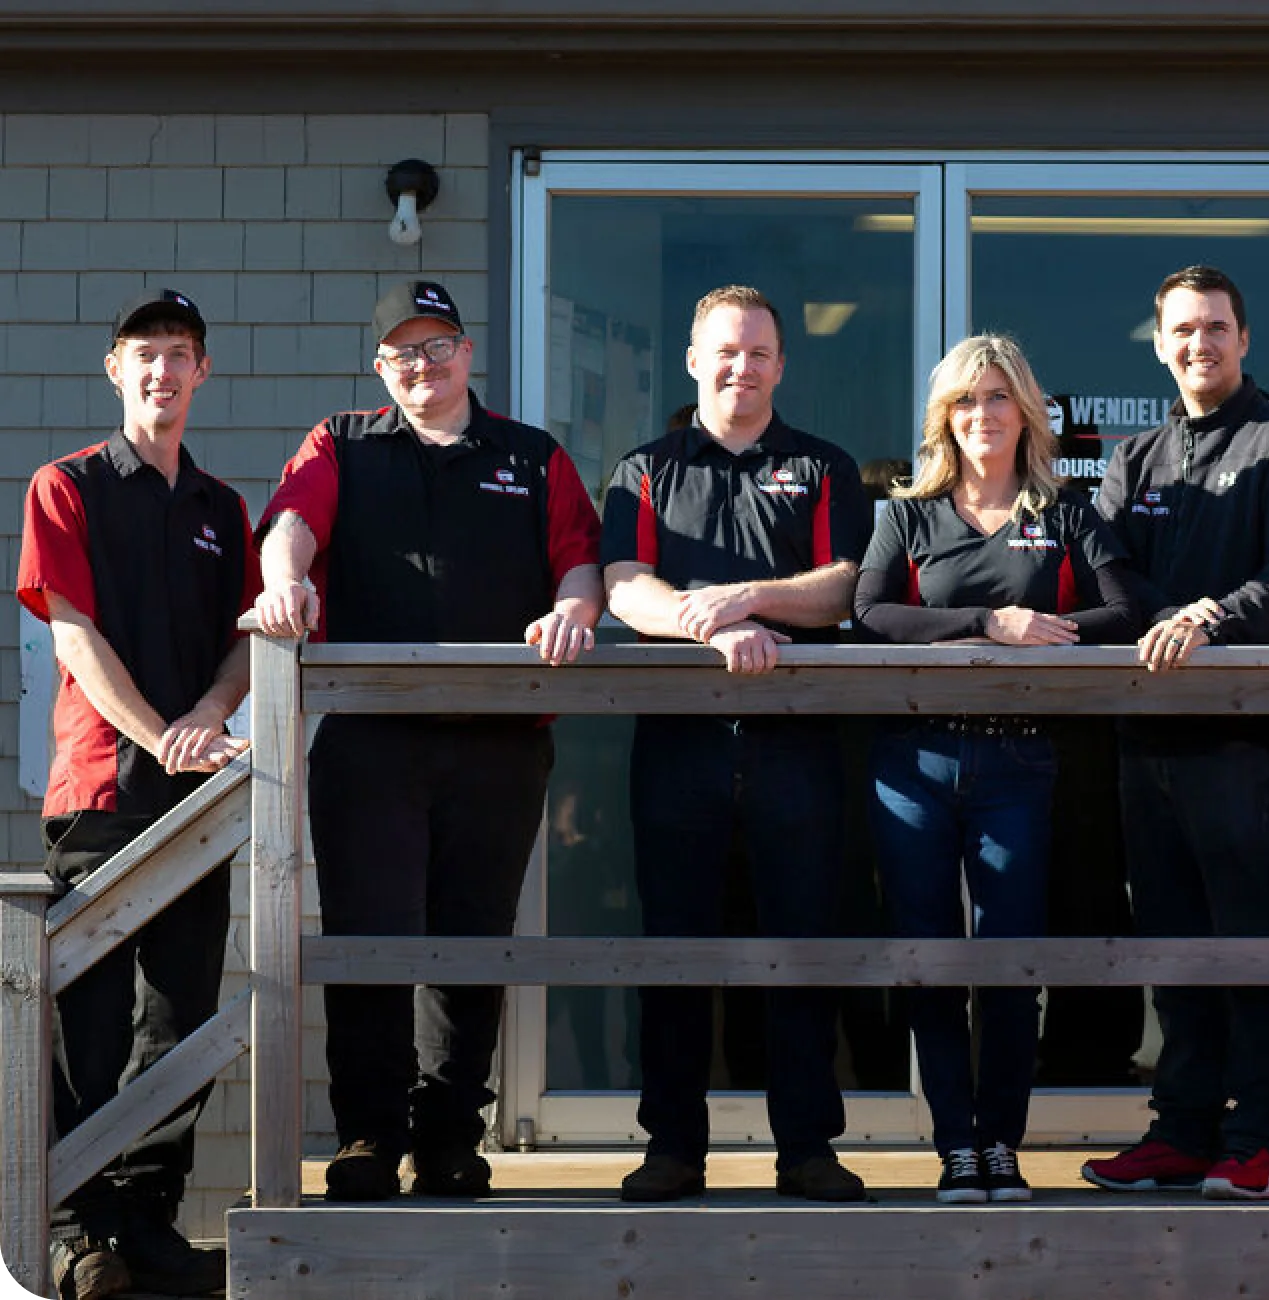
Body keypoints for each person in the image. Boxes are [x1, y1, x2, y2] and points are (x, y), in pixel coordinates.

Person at [252, 280, 602, 1202]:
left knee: (471, 943)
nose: (422, 363)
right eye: (403, 351)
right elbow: (291, 520)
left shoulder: (530, 458)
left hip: (499, 744)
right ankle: (368, 1134)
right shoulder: (343, 442)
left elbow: (579, 555)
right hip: (371, 740)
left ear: (467, 352)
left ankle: (450, 1137)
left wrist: (575, 606)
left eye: (438, 345)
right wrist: (285, 583)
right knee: (368, 940)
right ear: (380, 367)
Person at [602, 285, 871, 1203]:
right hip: (679, 750)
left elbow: (842, 590)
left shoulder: (825, 469)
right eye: (724, 350)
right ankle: (672, 1146)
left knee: (802, 948)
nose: (740, 367)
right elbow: (625, 587)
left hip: (801, 749)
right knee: (674, 952)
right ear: (693, 359)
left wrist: (747, 598)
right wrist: (708, 628)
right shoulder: (643, 471)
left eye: (758, 353)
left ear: (781, 366)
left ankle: (807, 1149)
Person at [855, 334, 1137, 1203]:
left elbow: (1126, 611)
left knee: (1013, 960)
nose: (983, 415)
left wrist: (1049, 636)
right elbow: (869, 614)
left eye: (999, 398)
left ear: (1027, 412)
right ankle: (955, 1147)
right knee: (931, 958)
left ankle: (1002, 1143)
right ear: (946, 415)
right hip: (915, 758)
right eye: (966, 401)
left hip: (1022, 758)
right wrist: (989, 623)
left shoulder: (1064, 513)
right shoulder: (907, 513)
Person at [18, 290, 255, 1300]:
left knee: (183, 1016)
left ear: (203, 374)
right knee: (90, 1019)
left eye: (182, 355)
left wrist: (207, 712)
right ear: (116, 370)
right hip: (101, 793)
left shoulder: (222, 508)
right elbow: (72, 632)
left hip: (197, 802)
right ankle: (73, 1229)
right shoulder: (65, 486)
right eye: (146, 354)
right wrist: (163, 736)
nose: (164, 371)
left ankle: (147, 1217)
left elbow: (249, 637)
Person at [1082, 265, 1269, 1201]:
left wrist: (1207, 619)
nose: (1201, 344)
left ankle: (1264, 1138)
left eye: (1217, 328)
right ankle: (1184, 1130)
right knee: (1173, 943)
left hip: (1246, 742)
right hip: (1149, 736)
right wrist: (1160, 619)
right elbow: (1108, 571)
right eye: (1183, 330)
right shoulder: (1136, 456)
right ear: (1159, 343)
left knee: (1251, 941)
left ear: (1244, 338)